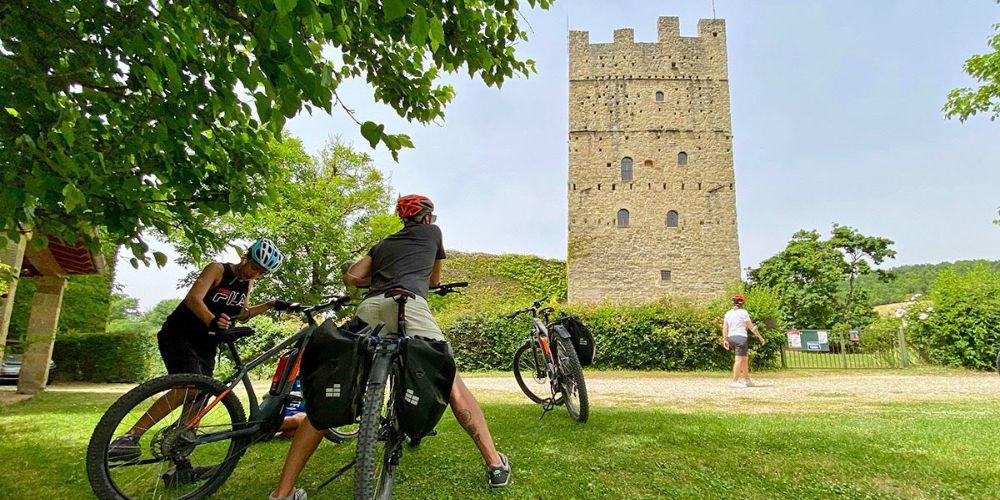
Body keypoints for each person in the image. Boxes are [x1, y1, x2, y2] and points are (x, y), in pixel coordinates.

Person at [271, 195, 509, 500]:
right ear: (426, 218)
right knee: (451, 383)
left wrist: (380, 275)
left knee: (337, 387)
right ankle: (494, 463)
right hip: (408, 305)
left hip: (371, 308)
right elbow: (434, 279)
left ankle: (282, 492)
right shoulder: (432, 233)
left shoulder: (383, 243)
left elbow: (352, 277)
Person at [107, 238, 289, 461]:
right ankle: (130, 438)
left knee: (201, 396)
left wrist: (270, 305)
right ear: (246, 257)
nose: (255, 274)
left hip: (207, 343)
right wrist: (212, 320)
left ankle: (178, 455)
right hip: (179, 334)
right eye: (254, 267)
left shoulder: (247, 283)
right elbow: (194, 298)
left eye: (261, 272)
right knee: (189, 389)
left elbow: (242, 313)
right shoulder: (217, 269)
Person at [722, 294, 766, 388]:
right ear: (742, 303)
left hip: (731, 337)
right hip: (740, 338)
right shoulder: (743, 312)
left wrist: (725, 339)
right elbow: (751, 327)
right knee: (739, 360)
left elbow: (725, 327)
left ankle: (747, 380)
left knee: (744, 359)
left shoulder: (728, 313)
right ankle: (735, 381)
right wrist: (760, 337)